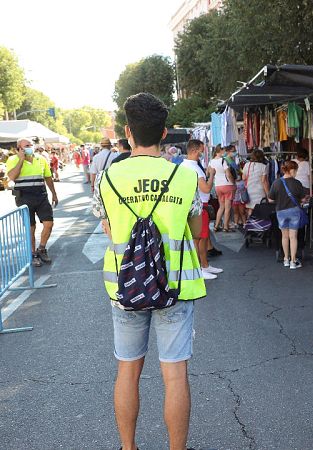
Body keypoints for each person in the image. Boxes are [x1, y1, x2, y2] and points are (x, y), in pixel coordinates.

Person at [91, 93, 206, 450]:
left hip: (124, 288)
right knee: (174, 375)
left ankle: (129, 447)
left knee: (127, 370)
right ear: (165, 132)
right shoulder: (183, 175)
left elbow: (109, 229)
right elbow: (195, 222)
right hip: (175, 287)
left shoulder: (108, 179)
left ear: (128, 132)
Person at [6, 137, 59, 267]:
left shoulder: (41, 159)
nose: (30, 147)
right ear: (19, 148)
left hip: (41, 196)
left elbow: (47, 177)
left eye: (31, 144)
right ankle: (32, 253)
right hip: (24, 197)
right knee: (31, 227)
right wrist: (21, 160)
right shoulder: (12, 159)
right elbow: (12, 177)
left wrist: (54, 194)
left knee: (49, 223)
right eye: (26, 145)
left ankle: (41, 248)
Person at [182, 139, 223, 280]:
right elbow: (205, 188)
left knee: (202, 238)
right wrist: (211, 175)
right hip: (198, 207)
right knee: (199, 239)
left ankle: (204, 265)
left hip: (195, 206)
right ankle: (200, 268)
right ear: (194, 150)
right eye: (201, 150)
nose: (202, 153)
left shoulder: (186, 165)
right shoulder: (193, 167)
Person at [268, 160, 309, 269]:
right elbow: (302, 199)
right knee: (293, 237)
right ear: (292, 170)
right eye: (296, 170)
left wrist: (279, 199)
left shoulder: (276, 183)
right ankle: (293, 261)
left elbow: (270, 199)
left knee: (284, 236)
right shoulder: (297, 183)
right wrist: (304, 199)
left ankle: (286, 259)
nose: (296, 173)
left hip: (280, 212)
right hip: (294, 212)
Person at [207, 145, 235, 232]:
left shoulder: (211, 162)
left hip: (218, 186)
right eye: (224, 150)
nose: (225, 152)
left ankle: (216, 226)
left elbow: (208, 173)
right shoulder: (223, 160)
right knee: (227, 208)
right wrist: (233, 183)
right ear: (220, 151)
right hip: (227, 185)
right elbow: (228, 174)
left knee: (221, 207)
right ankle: (226, 226)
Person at [243, 149, 269, 215]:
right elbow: (264, 181)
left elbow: (243, 178)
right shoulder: (264, 166)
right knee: (260, 209)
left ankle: (250, 224)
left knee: (250, 209)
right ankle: (258, 224)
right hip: (260, 191)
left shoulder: (247, 165)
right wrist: (268, 194)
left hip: (249, 190)